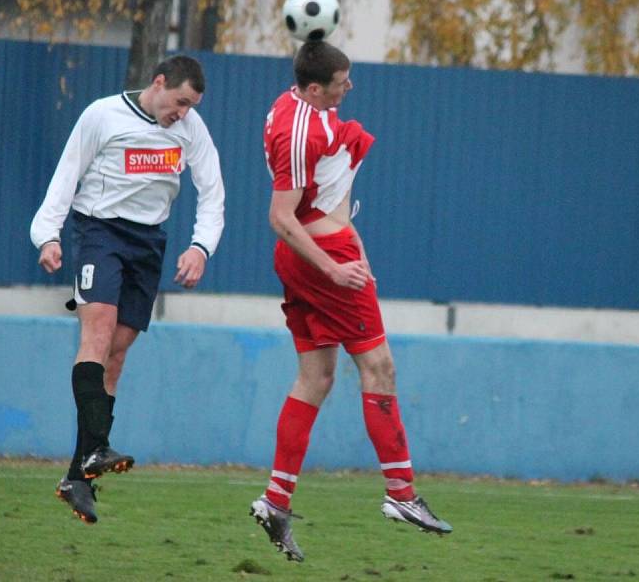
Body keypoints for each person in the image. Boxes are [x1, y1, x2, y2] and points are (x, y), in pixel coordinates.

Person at [249, 41, 452, 561]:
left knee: (315, 378)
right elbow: (281, 217)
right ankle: (401, 494)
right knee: (379, 366)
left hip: (322, 250)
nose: (350, 87)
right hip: (320, 258)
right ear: (315, 87)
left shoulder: (303, 107)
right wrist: (334, 265)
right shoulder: (300, 130)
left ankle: (276, 501)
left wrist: (350, 235)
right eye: (342, 80)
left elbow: (321, 194)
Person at [30, 55, 224, 525]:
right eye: (179, 102)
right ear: (158, 82)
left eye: (190, 106)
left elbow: (212, 192)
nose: (182, 113)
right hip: (100, 233)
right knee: (97, 334)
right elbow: (66, 175)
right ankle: (96, 448)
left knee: (116, 353)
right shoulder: (102, 115)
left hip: (148, 244)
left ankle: (79, 475)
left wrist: (200, 247)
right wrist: (47, 234)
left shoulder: (191, 130)